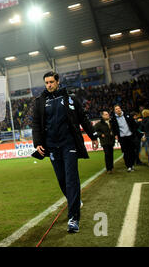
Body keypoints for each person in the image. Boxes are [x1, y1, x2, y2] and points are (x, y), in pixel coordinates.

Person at [32, 71, 98, 233]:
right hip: (51, 146)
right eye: (46, 82)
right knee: (62, 179)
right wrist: (38, 143)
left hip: (69, 144)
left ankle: (73, 218)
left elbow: (82, 118)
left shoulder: (70, 98)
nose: (49, 85)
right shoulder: (40, 101)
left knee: (71, 179)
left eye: (51, 82)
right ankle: (74, 200)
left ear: (58, 82)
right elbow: (36, 124)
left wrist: (93, 136)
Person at [110, 105, 139, 173]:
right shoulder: (113, 119)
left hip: (130, 136)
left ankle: (132, 164)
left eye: (119, 108)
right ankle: (129, 166)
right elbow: (113, 128)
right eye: (116, 109)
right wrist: (116, 135)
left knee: (132, 151)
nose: (118, 110)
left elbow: (134, 124)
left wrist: (134, 132)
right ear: (114, 111)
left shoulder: (127, 115)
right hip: (122, 137)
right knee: (125, 152)